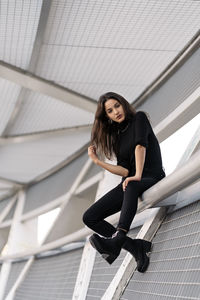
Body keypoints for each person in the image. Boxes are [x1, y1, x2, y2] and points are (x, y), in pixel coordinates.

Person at [82, 92, 165, 272]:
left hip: (151, 175)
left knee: (132, 183)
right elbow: (125, 171)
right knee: (90, 217)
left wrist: (137, 175)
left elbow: (140, 146)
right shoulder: (118, 137)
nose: (115, 112)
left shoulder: (139, 118)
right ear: (108, 117)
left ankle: (117, 240)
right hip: (131, 182)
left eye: (117, 106)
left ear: (123, 104)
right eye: (110, 111)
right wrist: (98, 161)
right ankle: (135, 247)